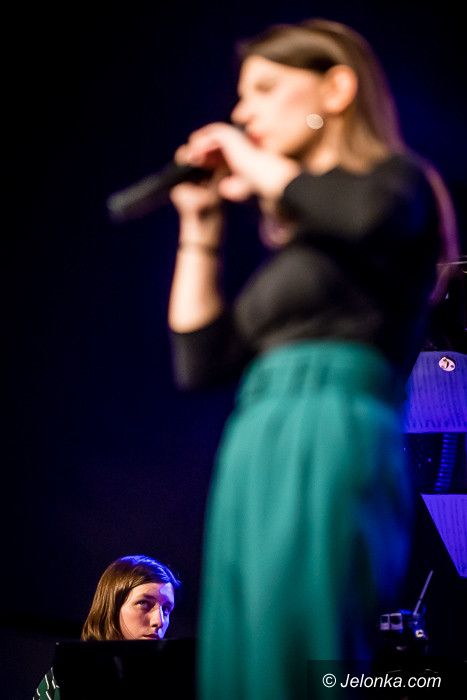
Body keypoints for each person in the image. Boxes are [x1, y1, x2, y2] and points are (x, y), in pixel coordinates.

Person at [167, 17, 459, 700]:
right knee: (239, 657)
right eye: (241, 97)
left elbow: (358, 213)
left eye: (264, 89)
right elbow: (200, 360)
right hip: (256, 435)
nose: (243, 113)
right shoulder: (298, 258)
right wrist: (200, 227)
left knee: (299, 650)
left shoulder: (398, 186)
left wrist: (247, 159)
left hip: (331, 426)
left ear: (335, 89)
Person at [33, 554, 180, 699]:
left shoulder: (173, 679)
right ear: (112, 607)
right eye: (143, 603)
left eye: (166, 609)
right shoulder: (66, 673)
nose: (159, 621)